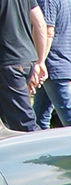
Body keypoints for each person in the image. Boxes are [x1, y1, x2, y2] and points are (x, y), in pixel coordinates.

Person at [32, 0, 71, 128]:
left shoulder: (46, 1)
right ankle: (42, 147)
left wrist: (40, 61)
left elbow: (48, 31)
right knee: (39, 117)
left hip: (52, 65)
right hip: (59, 63)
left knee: (70, 118)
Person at [0, 0, 46, 130]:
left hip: (9, 64)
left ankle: (44, 149)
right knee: (11, 126)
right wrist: (40, 61)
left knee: (25, 125)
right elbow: (40, 24)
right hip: (25, 60)